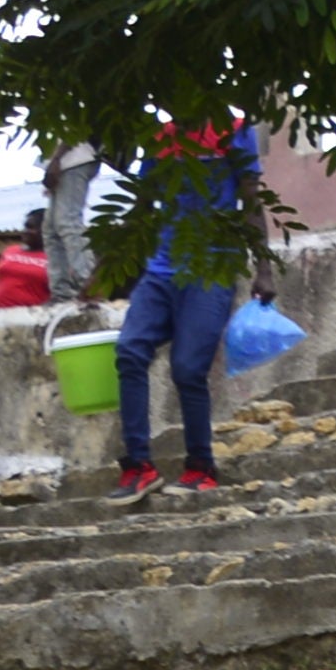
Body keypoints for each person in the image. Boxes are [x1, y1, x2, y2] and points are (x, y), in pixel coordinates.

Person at [109, 114, 267, 496]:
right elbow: (142, 208)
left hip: (211, 268)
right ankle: (138, 466)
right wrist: (110, 271)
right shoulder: (159, 139)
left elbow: (251, 200)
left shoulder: (234, 131)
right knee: (129, 351)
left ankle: (201, 465)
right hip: (161, 269)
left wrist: (265, 269)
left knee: (187, 368)